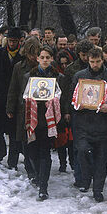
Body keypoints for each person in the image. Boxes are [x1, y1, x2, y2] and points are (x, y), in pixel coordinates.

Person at [71, 47, 107, 202]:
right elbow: (72, 97)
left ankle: (98, 189)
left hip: (103, 125)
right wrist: (77, 104)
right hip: (84, 124)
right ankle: (86, 178)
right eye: (92, 62)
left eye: (98, 61)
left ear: (102, 60)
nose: (95, 65)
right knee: (83, 151)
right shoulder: (80, 76)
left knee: (101, 159)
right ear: (88, 61)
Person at [22, 46, 66, 200]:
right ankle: (38, 176)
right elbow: (24, 95)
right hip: (34, 119)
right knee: (32, 152)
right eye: (42, 57)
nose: (45, 60)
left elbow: (62, 97)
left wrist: (54, 100)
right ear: (37, 58)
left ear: (52, 59)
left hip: (49, 120)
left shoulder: (58, 77)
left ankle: (43, 187)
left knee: (45, 153)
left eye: (48, 57)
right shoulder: (30, 76)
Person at [0, 27, 24, 163]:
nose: (12, 43)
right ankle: (0, 151)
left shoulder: (22, 55)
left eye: (14, 41)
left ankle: (12, 160)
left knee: (13, 130)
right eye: (10, 40)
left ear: (19, 41)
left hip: (15, 97)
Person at [6, 37, 42, 175]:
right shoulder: (19, 67)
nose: (34, 57)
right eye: (31, 54)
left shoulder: (43, 66)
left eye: (36, 54)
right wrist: (10, 107)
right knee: (26, 141)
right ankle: (30, 169)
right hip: (24, 109)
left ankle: (39, 169)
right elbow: (13, 88)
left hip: (41, 110)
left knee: (38, 141)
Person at [63, 40, 94, 186]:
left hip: (94, 112)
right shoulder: (71, 70)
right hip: (77, 111)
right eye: (83, 55)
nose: (86, 58)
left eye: (89, 54)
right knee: (77, 146)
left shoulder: (96, 66)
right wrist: (67, 111)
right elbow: (67, 93)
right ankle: (79, 176)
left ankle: (89, 174)